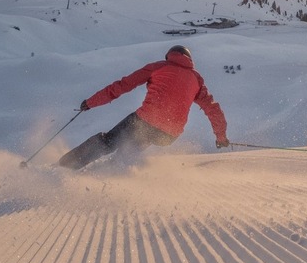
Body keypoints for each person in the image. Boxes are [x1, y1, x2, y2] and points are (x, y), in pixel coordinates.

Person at [58, 45, 229, 170]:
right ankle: (112, 172)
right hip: (169, 134)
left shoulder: (159, 67)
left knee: (108, 141)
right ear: (189, 60)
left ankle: (64, 167)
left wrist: (91, 102)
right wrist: (221, 137)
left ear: (169, 56)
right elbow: (213, 109)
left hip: (145, 121)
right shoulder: (196, 79)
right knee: (131, 146)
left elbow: (123, 85)